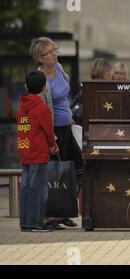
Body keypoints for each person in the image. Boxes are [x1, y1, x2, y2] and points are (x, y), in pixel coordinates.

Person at [29, 37, 81, 229]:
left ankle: (63, 211)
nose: (54, 54)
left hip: (67, 126)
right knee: (54, 174)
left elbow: (61, 98)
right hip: (54, 131)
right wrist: (50, 138)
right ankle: (49, 217)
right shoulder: (39, 79)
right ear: (39, 58)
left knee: (76, 170)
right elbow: (42, 112)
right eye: (49, 52)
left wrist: (68, 115)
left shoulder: (58, 69)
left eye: (54, 50)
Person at [17, 71, 59, 232]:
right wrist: (53, 146)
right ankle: (36, 223)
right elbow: (48, 131)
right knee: (39, 188)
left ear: (26, 86)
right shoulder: (41, 108)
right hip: (39, 153)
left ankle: (25, 223)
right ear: (44, 87)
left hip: (25, 152)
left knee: (26, 187)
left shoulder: (22, 109)